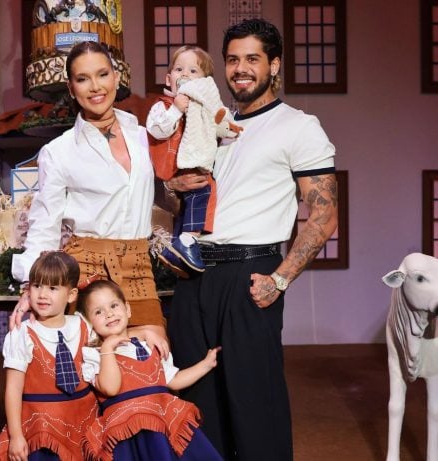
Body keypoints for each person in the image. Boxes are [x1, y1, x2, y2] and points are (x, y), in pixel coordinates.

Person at [165, 19, 338, 461]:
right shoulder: (210, 123)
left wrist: (279, 280)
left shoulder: (298, 126)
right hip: (192, 274)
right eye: (232, 59)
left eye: (252, 59)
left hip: (249, 275)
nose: (240, 68)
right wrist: (174, 189)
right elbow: (185, 201)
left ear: (274, 65)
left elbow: (324, 215)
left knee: (255, 404)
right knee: (195, 406)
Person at [9, 40, 164, 331]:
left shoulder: (145, 137)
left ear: (115, 77)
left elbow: (165, 194)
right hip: (85, 271)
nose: (95, 87)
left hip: (139, 267)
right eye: (83, 79)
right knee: (90, 358)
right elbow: (45, 224)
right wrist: (32, 285)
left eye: (102, 74)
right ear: (71, 88)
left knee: (153, 353)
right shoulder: (59, 151)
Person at [0, 252, 169, 461]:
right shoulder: (22, 333)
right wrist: (16, 435)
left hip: (85, 421)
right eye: (37, 286)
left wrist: (143, 333)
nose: (43, 294)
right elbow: (13, 389)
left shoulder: (82, 324)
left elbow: (110, 332)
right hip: (43, 424)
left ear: (71, 295)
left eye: (52, 288)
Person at [76, 279, 223, 460]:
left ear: (127, 309)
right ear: (89, 322)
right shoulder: (95, 355)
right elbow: (111, 388)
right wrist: (107, 348)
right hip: (128, 438)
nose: (109, 314)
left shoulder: (149, 346)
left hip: (161, 426)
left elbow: (173, 380)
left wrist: (206, 364)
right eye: (98, 312)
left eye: (114, 305)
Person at [146, 45, 241, 276]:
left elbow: (220, 126)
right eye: (179, 70)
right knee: (187, 201)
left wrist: (228, 125)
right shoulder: (162, 106)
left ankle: (185, 242)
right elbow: (157, 129)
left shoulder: (203, 110)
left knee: (203, 192)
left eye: (193, 71)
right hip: (168, 169)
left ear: (204, 83)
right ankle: (185, 241)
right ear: (168, 79)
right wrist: (176, 109)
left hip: (194, 166)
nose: (185, 75)